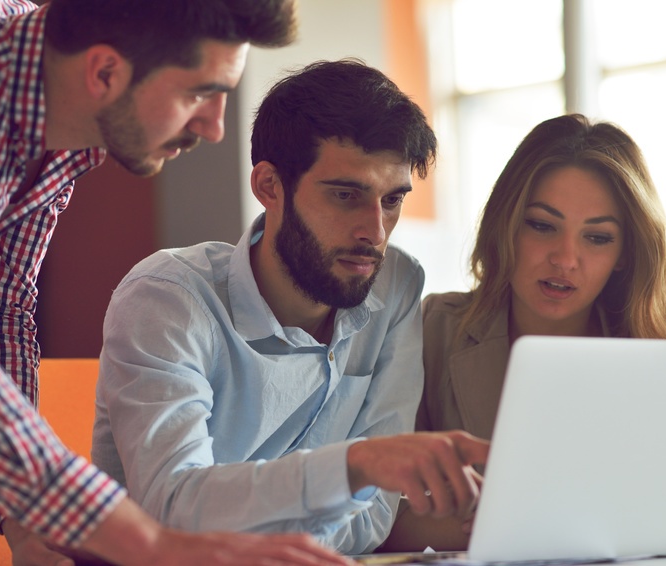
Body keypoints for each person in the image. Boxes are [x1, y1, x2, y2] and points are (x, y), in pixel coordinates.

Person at [0, 0, 357, 564]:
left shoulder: (58, 115)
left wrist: (28, 526)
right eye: (199, 92)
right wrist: (148, 542)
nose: (215, 127)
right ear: (103, 72)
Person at [91, 59, 489, 555]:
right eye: (347, 195)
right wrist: (352, 469)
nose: (375, 232)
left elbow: (375, 517)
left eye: (392, 200)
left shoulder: (395, 285)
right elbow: (171, 510)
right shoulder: (167, 298)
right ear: (269, 187)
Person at [381, 113, 666, 551]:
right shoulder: (435, 328)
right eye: (542, 226)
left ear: (625, 252)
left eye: (597, 238)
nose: (565, 258)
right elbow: (376, 514)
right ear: (507, 224)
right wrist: (490, 530)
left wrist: (615, 542)